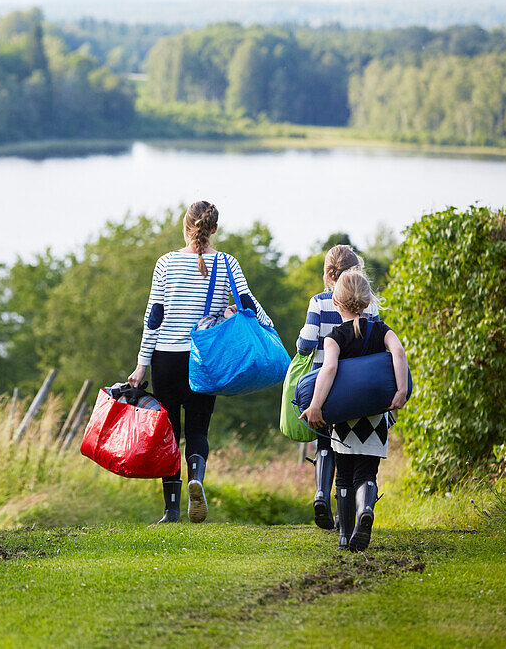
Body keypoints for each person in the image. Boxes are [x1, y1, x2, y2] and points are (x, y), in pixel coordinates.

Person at [128, 201, 274, 524]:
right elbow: (246, 302)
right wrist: (269, 327)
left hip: (165, 360)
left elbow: (153, 318)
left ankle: (172, 510)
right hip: (203, 360)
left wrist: (141, 364)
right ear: (215, 230)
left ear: (185, 227)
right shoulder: (227, 264)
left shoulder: (165, 263)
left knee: (169, 434)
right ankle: (196, 477)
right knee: (198, 429)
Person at [300, 269, 409, 551]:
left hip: (345, 420)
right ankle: (366, 511)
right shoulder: (381, 329)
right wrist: (401, 390)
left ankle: (344, 535)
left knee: (345, 476)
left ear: (336, 303)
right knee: (367, 474)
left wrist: (315, 406)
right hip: (376, 416)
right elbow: (398, 352)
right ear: (368, 300)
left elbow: (330, 369)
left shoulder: (335, 336)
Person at [295, 245, 379, 532]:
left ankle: (321, 493)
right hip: (361, 387)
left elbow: (305, 344)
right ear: (358, 271)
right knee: (355, 452)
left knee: (324, 442)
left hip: (325, 386)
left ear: (327, 274)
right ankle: (354, 511)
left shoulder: (319, 302)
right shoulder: (371, 303)